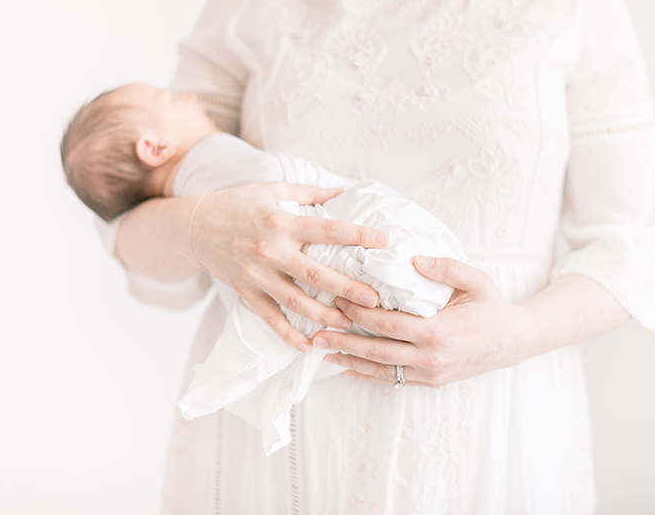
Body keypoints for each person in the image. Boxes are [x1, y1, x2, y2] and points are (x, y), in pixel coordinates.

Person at [101, 0, 655, 512]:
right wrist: (200, 230)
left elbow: (634, 247)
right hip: (281, 441)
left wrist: (513, 335)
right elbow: (133, 213)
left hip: (486, 415)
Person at [60, 82, 468, 455]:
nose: (190, 97)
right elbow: (275, 182)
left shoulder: (188, 192)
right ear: (154, 148)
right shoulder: (207, 157)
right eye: (170, 99)